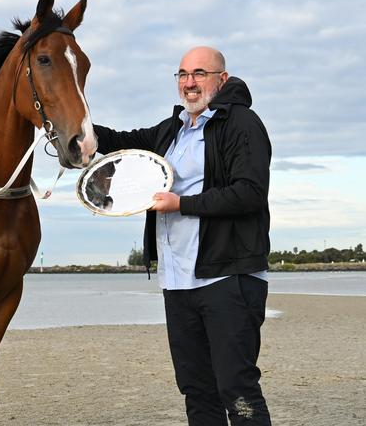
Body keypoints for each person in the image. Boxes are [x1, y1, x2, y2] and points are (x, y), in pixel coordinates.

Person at [94, 46, 272, 425]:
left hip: (228, 276)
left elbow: (250, 192)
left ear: (221, 80)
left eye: (199, 74)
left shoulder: (242, 123)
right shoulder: (171, 130)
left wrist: (182, 204)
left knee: (237, 388)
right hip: (177, 281)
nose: (189, 83)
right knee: (196, 388)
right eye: (182, 74)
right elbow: (124, 142)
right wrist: (76, 128)